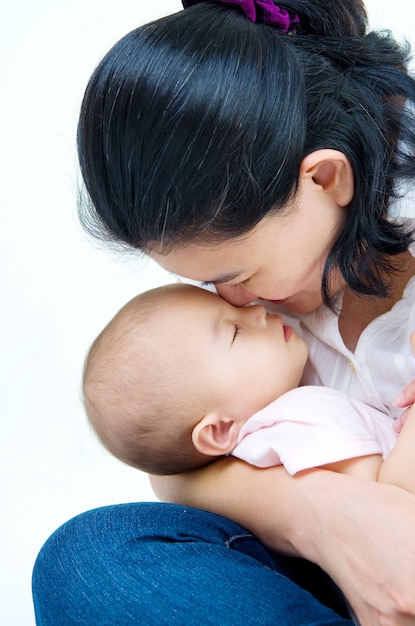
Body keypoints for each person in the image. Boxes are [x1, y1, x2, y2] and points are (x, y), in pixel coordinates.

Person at [32, 0, 415, 624]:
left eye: (236, 276)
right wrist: (327, 521)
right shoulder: (282, 286)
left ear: (323, 179)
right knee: (90, 560)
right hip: (340, 574)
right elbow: (177, 466)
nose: (233, 302)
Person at [84, 281, 415, 495]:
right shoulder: (298, 422)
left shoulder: (267, 442)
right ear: (221, 428)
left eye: (237, 311)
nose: (257, 310)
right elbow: (394, 499)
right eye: (235, 332)